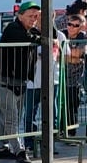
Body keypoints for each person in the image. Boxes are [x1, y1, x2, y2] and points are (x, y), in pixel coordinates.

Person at [0, 0, 41, 163]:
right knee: (11, 119)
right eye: (30, 16)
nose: (34, 19)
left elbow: (51, 36)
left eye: (36, 16)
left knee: (8, 117)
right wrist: (40, 37)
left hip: (20, 81)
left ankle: (1, 146)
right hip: (4, 81)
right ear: (20, 16)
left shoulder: (31, 29)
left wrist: (44, 24)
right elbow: (31, 39)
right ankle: (20, 151)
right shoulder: (13, 28)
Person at [22, 21, 63, 152]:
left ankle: (50, 143)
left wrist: (56, 47)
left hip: (52, 81)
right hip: (33, 82)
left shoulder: (58, 36)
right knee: (30, 113)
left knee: (51, 114)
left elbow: (61, 55)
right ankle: (30, 143)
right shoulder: (31, 35)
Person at [61, 14, 87, 136]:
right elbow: (55, 55)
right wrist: (70, 57)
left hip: (74, 80)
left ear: (81, 27)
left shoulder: (84, 37)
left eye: (75, 25)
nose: (71, 27)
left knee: (72, 107)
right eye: (69, 24)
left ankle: (71, 133)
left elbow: (79, 54)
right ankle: (60, 131)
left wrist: (63, 56)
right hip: (59, 78)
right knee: (59, 107)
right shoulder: (62, 35)